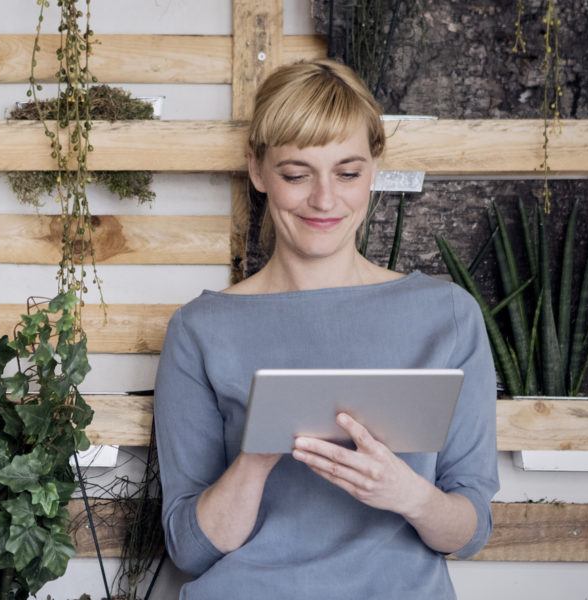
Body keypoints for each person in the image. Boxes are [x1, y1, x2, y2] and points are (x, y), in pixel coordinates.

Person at [153, 58, 500, 599]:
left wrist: (408, 495)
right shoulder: (201, 330)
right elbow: (190, 551)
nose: (324, 199)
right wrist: (256, 459)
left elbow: (470, 531)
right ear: (257, 170)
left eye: (347, 173)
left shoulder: (447, 316)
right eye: (296, 175)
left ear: (374, 169)